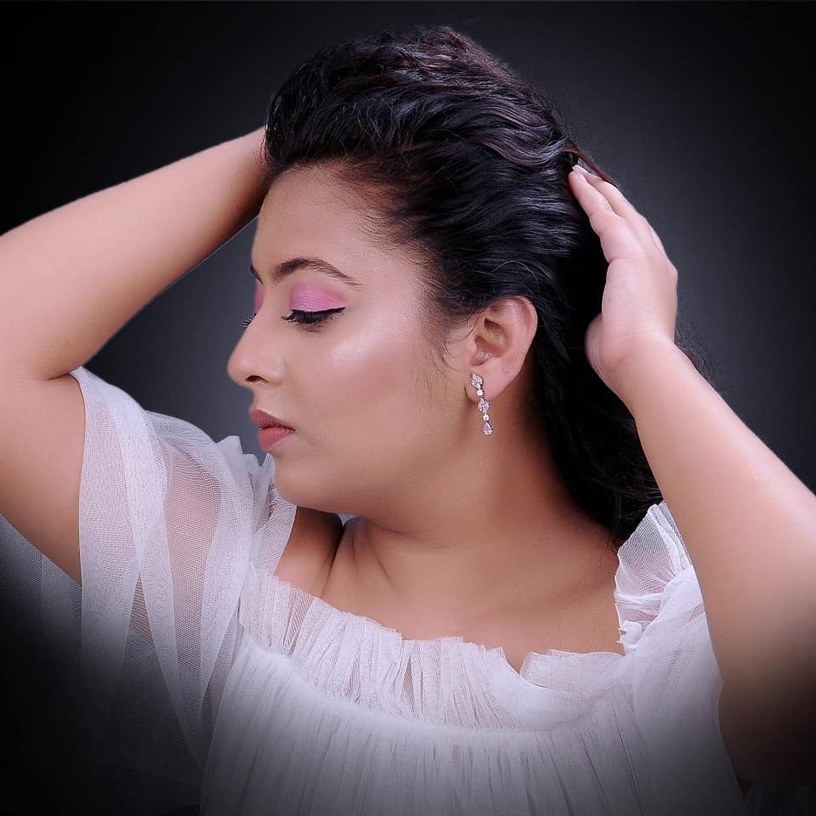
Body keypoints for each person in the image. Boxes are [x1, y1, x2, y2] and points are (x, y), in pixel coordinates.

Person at [0, 23, 813, 816]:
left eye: (309, 307)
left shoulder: (690, 643)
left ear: (489, 342)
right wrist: (304, 139)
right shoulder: (253, 596)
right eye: (259, 304)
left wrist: (643, 358)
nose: (245, 357)